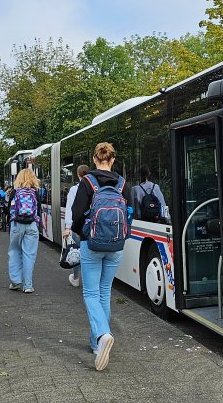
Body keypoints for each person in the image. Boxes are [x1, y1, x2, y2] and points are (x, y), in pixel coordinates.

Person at [70, 142, 133, 371]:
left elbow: (77, 214)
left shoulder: (87, 182)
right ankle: (97, 342)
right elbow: (130, 213)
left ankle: (102, 335)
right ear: (112, 160)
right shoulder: (123, 184)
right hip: (116, 246)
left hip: (92, 244)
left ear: (95, 159)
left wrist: (82, 233)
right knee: (104, 291)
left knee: (90, 292)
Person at [6, 168, 45, 293]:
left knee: (14, 252)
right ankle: (28, 285)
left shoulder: (15, 192)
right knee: (29, 255)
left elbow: (9, 210)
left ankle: (16, 281)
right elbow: (39, 210)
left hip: (17, 224)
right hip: (32, 225)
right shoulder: (36, 193)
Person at [63, 164, 90, 287]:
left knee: (77, 252)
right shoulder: (95, 188)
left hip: (78, 227)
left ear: (78, 175)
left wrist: (68, 227)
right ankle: (91, 280)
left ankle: (76, 278)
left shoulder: (74, 189)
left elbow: (69, 209)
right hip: (92, 227)